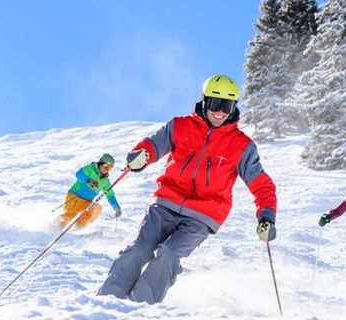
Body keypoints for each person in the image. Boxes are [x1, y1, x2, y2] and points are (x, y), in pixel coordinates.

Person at [97, 74, 278, 304]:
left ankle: (139, 305)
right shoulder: (180, 126)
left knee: (169, 254)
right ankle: (106, 300)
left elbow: (262, 185)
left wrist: (267, 216)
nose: (220, 112)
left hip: (203, 216)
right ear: (204, 101)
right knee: (141, 248)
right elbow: (153, 145)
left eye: (227, 105)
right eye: (216, 104)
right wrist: (141, 155)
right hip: (165, 204)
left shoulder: (241, 145)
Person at [58, 153, 122, 229]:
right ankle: (55, 228)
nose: (106, 170)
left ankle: (77, 229)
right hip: (75, 197)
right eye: (105, 166)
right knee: (69, 216)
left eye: (109, 169)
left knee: (96, 208)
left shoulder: (105, 181)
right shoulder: (90, 169)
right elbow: (79, 174)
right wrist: (88, 180)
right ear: (100, 163)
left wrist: (117, 208)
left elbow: (110, 195)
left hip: (86, 202)